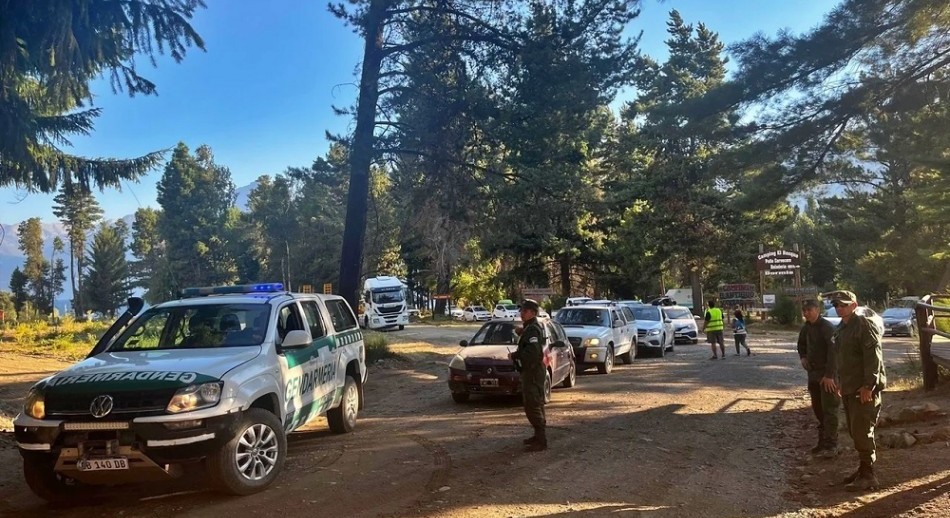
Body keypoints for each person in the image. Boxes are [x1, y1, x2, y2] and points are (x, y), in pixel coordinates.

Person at [825, 290, 886, 491]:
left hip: (864, 389)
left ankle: (869, 475)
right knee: (854, 430)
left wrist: (869, 385)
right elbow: (843, 359)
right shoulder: (842, 327)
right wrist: (841, 382)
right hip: (850, 387)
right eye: (836, 305)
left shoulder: (863, 325)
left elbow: (873, 359)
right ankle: (863, 469)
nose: (839, 308)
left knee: (862, 431)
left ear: (854, 304)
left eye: (843, 304)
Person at [797, 299, 840, 458]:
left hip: (827, 375)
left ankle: (831, 445)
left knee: (830, 410)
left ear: (817, 310)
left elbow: (834, 352)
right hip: (813, 375)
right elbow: (801, 344)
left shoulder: (827, 327)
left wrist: (829, 376)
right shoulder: (806, 328)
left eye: (809, 310)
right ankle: (822, 442)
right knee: (818, 409)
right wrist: (803, 357)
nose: (806, 313)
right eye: (804, 310)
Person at [510, 299, 547, 452]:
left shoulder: (533, 329)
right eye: (521, 311)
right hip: (531, 370)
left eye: (524, 311)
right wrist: (521, 332)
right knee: (535, 403)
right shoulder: (529, 328)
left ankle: (541, 439)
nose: (521, 314)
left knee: (532, 404)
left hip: (532, 371)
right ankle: (538, 435)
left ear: (533, 312)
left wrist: (516, 355)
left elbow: (533, 352)